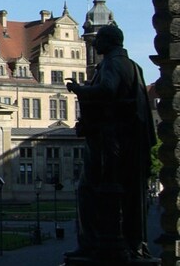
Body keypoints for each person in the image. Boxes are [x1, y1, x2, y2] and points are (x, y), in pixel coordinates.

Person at [66, 25, 155, 261]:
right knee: (127, 193)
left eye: (97, 41)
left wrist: (79, 90)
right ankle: (131, 241)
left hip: (109, 139)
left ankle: (91, 243)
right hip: (127, 139)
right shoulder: (132, 65)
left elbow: (107, 90)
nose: (93, 46)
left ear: (108, 42)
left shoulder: (112, 64)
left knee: (88, 190)